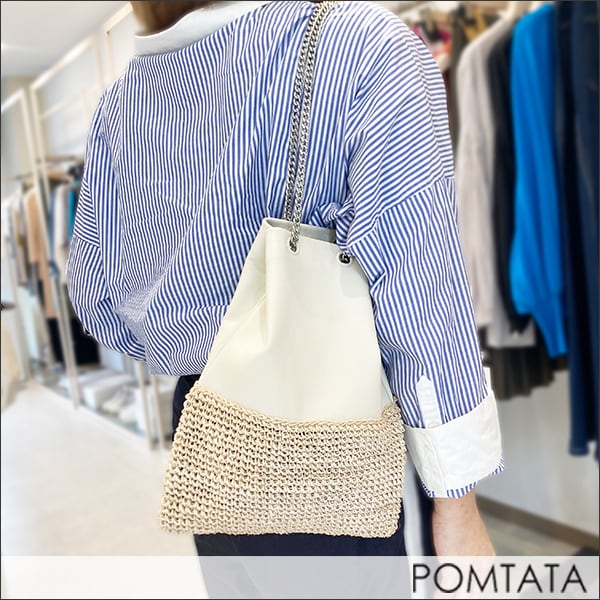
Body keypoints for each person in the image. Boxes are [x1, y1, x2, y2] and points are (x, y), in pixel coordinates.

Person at [66, 0, 503, 594]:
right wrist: (458, 504)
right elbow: (422, 294)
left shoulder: (120, 106)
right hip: (323, 429)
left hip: (207, 428)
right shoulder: (360, 45)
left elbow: (96, 297)